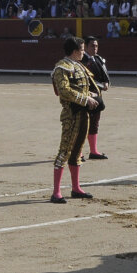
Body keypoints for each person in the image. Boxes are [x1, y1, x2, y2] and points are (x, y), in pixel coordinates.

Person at [49, 36, 101, 203]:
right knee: (65, 150)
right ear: (74, 51)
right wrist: (85, 99)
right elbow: (63, 91)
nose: (84, 52)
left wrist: (92, 95)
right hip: (71, 115)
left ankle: (76, 188)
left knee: (78, 151)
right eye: (82, 49)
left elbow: (87, 87)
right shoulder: (61, 68)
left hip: (83, 114)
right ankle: (56, 192)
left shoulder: (79, 66)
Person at [80, 36, 110, 160]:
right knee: (82, 124)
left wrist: (106, 83)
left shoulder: (98, 59)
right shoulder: (81, 60)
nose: (95, 48)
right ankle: (79, 152)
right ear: (86, 46)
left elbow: (105, 75)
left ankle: (93, 151)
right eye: (92, 45)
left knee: (94, 123)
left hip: (97, 96)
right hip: (85, 96)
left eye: (96, 46)